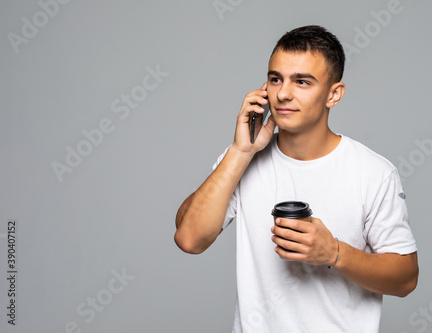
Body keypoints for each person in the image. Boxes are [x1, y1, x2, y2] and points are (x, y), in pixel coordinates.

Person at [175, 25, 418, 332]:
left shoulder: (374, 173)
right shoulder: (241, 160)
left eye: (302, 81)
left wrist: (334, 252)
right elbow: (189, 239)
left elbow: (406, 279)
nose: (284, 93)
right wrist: (240, 151)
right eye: (276, 79)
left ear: (334, 94)